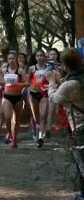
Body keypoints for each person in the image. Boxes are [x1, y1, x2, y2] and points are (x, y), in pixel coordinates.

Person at [46, 48, 84, 200]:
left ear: (65, 66)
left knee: (81, 163)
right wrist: (59, 81)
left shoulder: (70, 84)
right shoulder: (79, 79)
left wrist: (50, 82)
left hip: (80, 128)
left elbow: (54, 98)